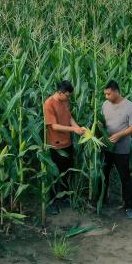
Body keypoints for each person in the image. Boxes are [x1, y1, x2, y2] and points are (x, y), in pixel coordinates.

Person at [43, 80, 86, 215]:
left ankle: (65, 197)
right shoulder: (49, 103)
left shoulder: (65, 101)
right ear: (60, 92)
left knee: (67, 172)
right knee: (55, 174)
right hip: (55, 145)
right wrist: (73, 130)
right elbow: (53, 126)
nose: (69, 98)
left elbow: (69, 117)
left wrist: (77, 127)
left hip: (67, 143)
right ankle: (52, 203)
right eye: (67, 95)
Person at [100, 80, 132, 220]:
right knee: (103, 174)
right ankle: (102, 199)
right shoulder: (105, 104)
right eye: (105, 94)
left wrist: (119, 135)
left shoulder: (129, 107)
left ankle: (128, 206)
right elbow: (103, 121)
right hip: (106, 147)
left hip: (122, 149)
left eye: (108, 94)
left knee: (125, 177)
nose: (106, 96)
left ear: (116, 91)